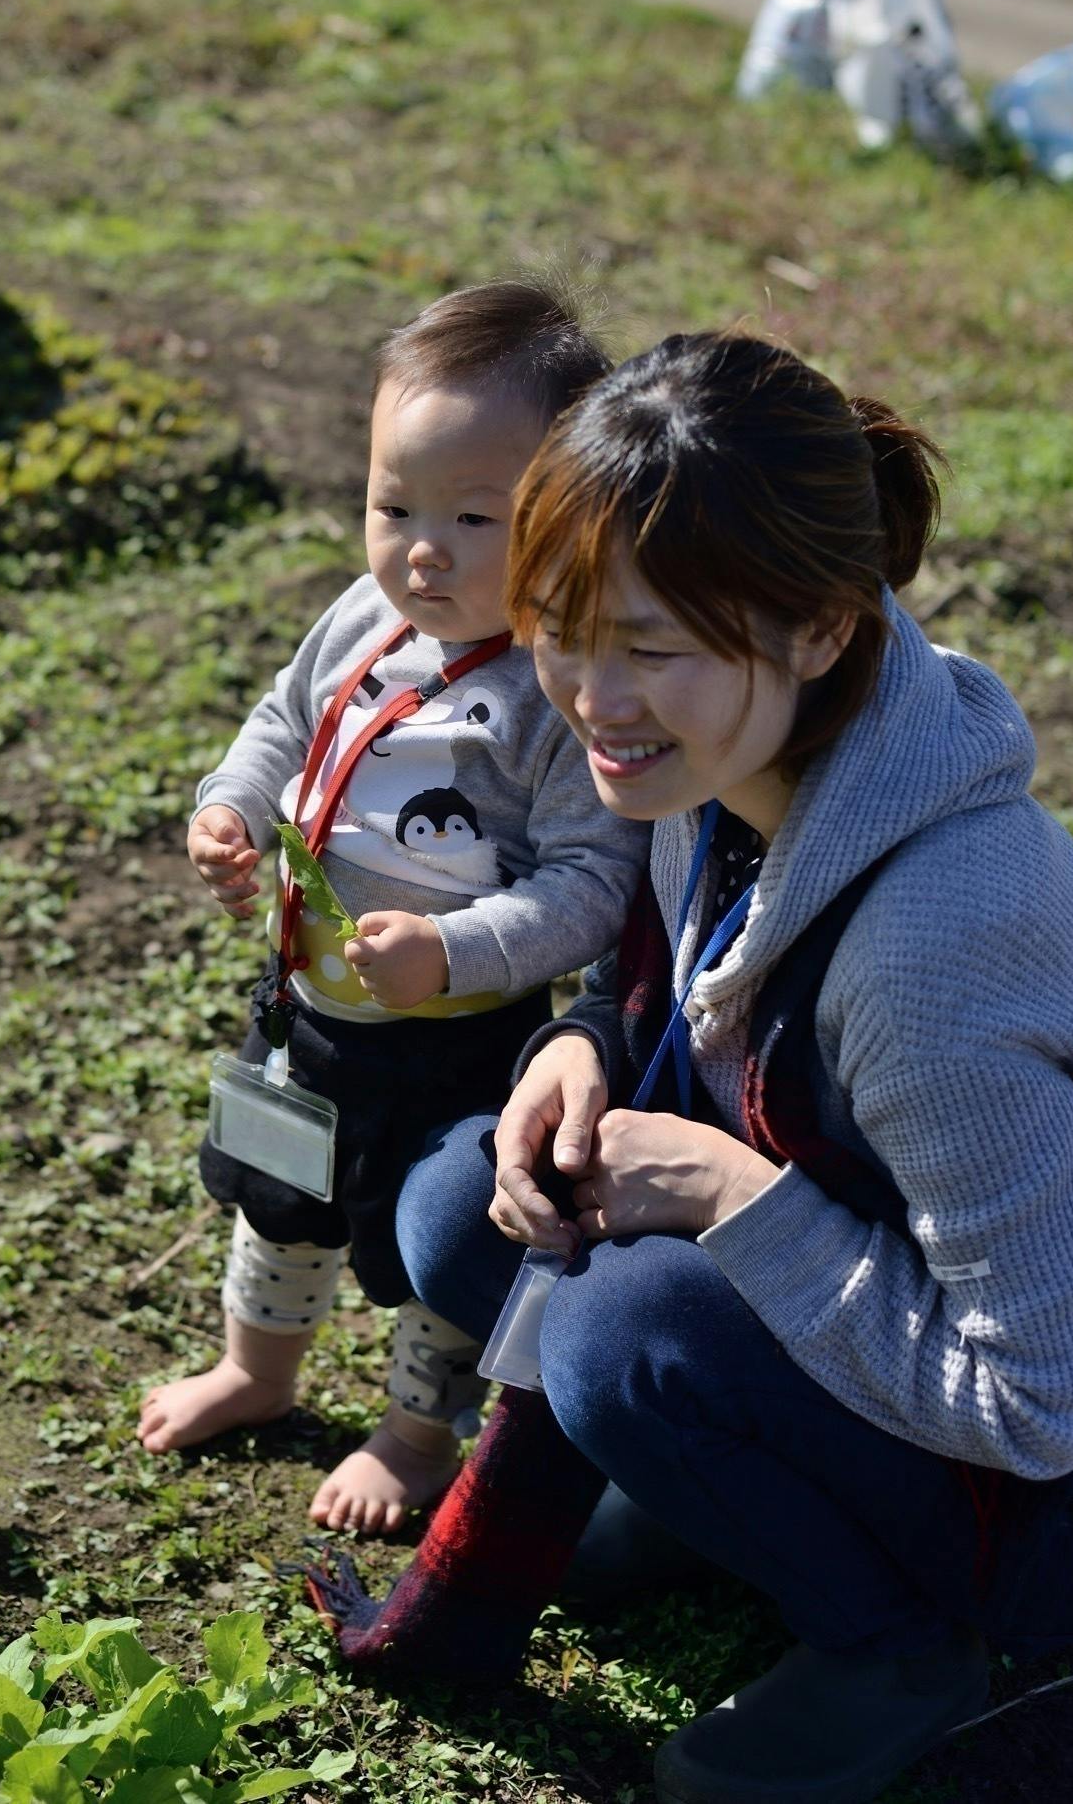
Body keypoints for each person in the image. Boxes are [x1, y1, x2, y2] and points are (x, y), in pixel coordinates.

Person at [309, 331, 1073, 1804]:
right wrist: (577, 1047)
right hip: (878, 1330)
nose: (590, 698)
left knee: (619, 1333)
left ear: (816, 626)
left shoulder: (937, 947)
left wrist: (734, 1200)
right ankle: (703, 1495)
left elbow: (1040, 1409)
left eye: (651, 647)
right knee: (453, 1209)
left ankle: (896, 1649)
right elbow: (676, 988)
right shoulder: (739, 756)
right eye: (557, 626)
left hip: (1052, 1510)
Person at [138, 284, 647, 1535]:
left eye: (475, 517)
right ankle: (256, 1369)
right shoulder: (363, 618)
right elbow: (281, 720)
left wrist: (455, 948)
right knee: (279, 1192)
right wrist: (232, 806)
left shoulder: (554, 690)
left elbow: (592, 887)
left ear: (562, 521)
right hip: (308, 1003)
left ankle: (417, 1430)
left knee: (443, 1247)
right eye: (392, 505)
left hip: (457, 1034)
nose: (423, 548)